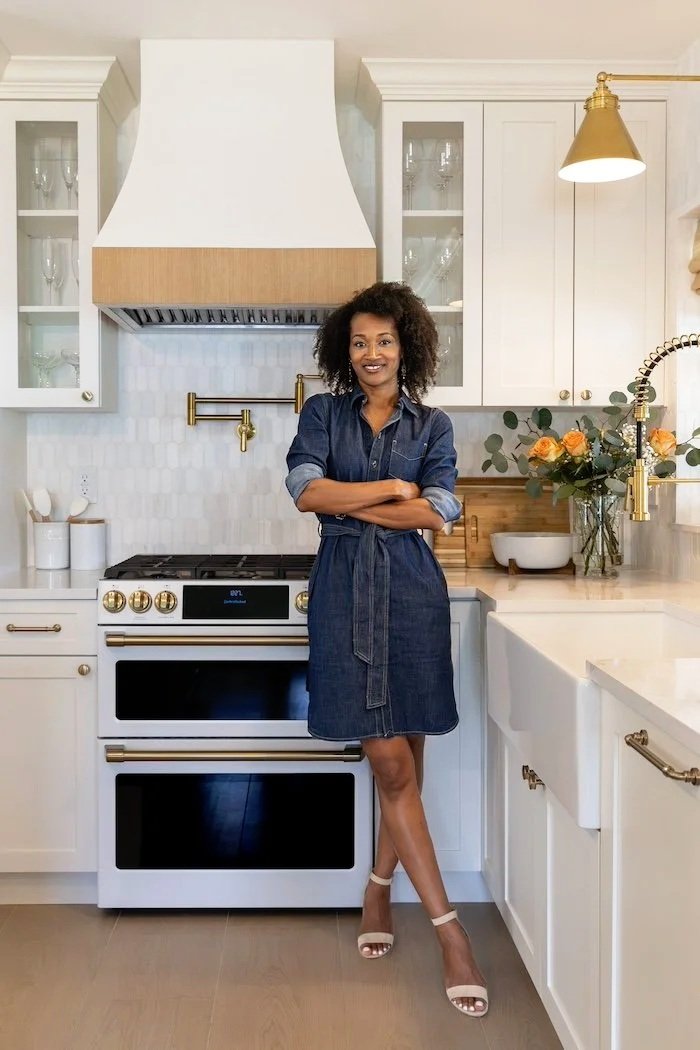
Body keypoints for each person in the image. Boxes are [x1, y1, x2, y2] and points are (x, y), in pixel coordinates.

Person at [285, 281, 488, 1017]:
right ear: (347, 350)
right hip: (343, 596)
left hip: (411, 599)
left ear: (407, 347)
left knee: (407, 750)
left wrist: (366, 494)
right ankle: (451, 933)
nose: (371, 354)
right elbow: (306, 493)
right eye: (360, 342)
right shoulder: (322, 413)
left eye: (385, 340)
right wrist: (390, 491)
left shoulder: (432, 424)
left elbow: (437, 513)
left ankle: (377, 890)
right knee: (390, 761)